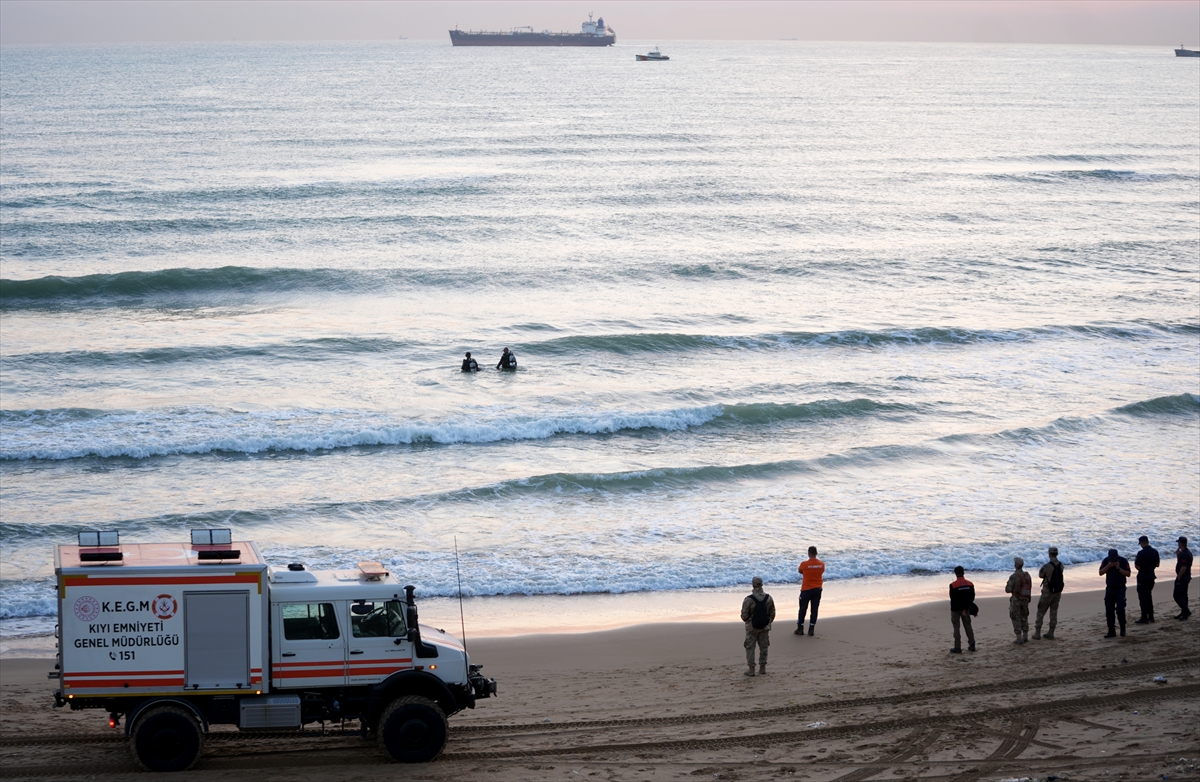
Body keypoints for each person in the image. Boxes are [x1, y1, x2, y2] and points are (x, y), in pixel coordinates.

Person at [740, 576, 775, 677]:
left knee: (750, 648)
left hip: (752, 628)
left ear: (753, 585)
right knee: (764, 647)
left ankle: (751, 669)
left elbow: (744, 616)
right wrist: (767, 622)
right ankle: (762, 668)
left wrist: (749, 621)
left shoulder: (748, 599)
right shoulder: (769, 598)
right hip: (765, 627)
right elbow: (772, 613)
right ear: (762, 584)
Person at [1099, 548, 1131, 638]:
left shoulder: (1123, 561)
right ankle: (1111, 631)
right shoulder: (1106, 561)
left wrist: (1119, 568)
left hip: (1120, 589)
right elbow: (1100, 572)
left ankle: (1123, 628)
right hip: (1110, 589)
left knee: (1120, 609)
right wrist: (1108, 566)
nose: (1112, 560)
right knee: (1109, 611)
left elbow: (1128, 574)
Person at [1034, 546, 1064, 640]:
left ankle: (1037, 633)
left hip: (1047, 592)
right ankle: (1051, 632)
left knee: (1041, 611)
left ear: (1049, 554)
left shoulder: (1047, 566)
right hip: (1057, 592)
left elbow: (1041, 575)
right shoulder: (1061, 565)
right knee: (1054, 612)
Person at [795, 546, 824, 636]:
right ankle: (811, 629)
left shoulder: (804, 564)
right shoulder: (821, 564)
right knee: (814, 609)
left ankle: (800, 628)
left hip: (806, 589)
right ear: (816, 553)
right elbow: (821, 572)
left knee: (803, 609)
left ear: (809, 553)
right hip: (817, 588)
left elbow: (800, 571)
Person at [948, 565, 976, 653]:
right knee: (968, 626)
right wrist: (965, 608)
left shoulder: (953, 585)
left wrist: (960, 608)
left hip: (955, 609)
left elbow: (952, 598)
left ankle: (957, 647)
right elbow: (972, 597)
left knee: (956, 628)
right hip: (966, 609)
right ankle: (972, 645)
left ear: (955, 574)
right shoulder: (970, 584)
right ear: (963, 573)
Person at [1005, 557, 1032, 644]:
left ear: (1015, 565)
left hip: (1016, 600)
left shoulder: (1013, 576)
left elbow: (1008, 590)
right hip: (1025, 599)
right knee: (1024, 617)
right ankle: (1025, 636)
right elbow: (1030, 587)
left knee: (1015, 617)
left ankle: (1019, 638)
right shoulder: (1027, 575)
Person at [1134, 535, 1160, 623]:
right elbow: (1157, 565)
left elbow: (1137, 567)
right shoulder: (1155, 551)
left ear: (1141, 543)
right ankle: (1151, 616)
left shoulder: (1140, 553)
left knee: (1142, 598)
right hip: (1151, 576)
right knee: (1149, 596)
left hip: (1142, 577)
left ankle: (1144, 617)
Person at [1175, 536, 1193, 621]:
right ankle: (1184, 612)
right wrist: (1178, 555)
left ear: (1181, 543)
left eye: (1178, 542)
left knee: (1177, 595)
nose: (1178, 544)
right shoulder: (1186, 552)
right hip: (1186, 576)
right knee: (1183, 594)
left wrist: (1179, 576)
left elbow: (1184, 566)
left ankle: (1186, 610)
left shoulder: (1185, 554)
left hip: (1183, 576)